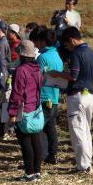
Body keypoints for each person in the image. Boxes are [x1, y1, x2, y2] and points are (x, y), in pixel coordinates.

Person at [50, 27, 93, 173]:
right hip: (89, 95)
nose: (68, 48)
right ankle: (87, 162)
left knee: (78, 130)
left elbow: (73, 76)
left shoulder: (76, 54)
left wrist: (57, 74)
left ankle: (83, 166)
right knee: (86, 130)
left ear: (71, 40)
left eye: (67, 45)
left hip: (77, 96)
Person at [8, 40, 44, 181]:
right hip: (35, 108)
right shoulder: (37, 68)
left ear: (21, 54)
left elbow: (16, 94)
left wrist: (12, 114)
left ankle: (29, 173)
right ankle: (37, 171)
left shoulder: (20, 70)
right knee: (36, 139)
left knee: (25, 142)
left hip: (23, 110)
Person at [31, 26, 63, 164]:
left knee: (37, 128)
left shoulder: (42, 57)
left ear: (43, 42)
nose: (36, 45)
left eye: (37, 42)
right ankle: (52, 154)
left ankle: (40, 156)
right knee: (50, 128)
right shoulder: (57, 56)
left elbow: (36, 78)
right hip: (54, 97)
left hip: (44, 97)